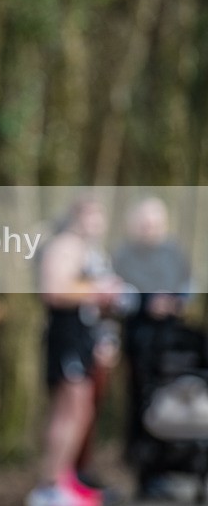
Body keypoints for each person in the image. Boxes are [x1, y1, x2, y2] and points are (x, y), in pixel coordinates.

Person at [26, 196, 125, 506]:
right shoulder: (64, 245)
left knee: (81, 411)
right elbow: (53, 291)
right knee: (70, 410)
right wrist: (100, 291)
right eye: (92, 215)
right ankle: (49, 487)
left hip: (83, 337)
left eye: (100, 216)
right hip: (65, 335)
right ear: (77, 216)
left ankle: (63, 479)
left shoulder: (90, 250)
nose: (97, 222)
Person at [113, 196, 191, 500]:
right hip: (140, 340)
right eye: (144, 224)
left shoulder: (174, 252)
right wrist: (147, 304)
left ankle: (169, 468)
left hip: (173, 342)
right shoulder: (123, 255)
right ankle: (143, 475)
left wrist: (178, 301)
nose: (150, 229)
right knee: (142, 407)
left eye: (154, 224)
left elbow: (187, 284)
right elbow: (117, 295)